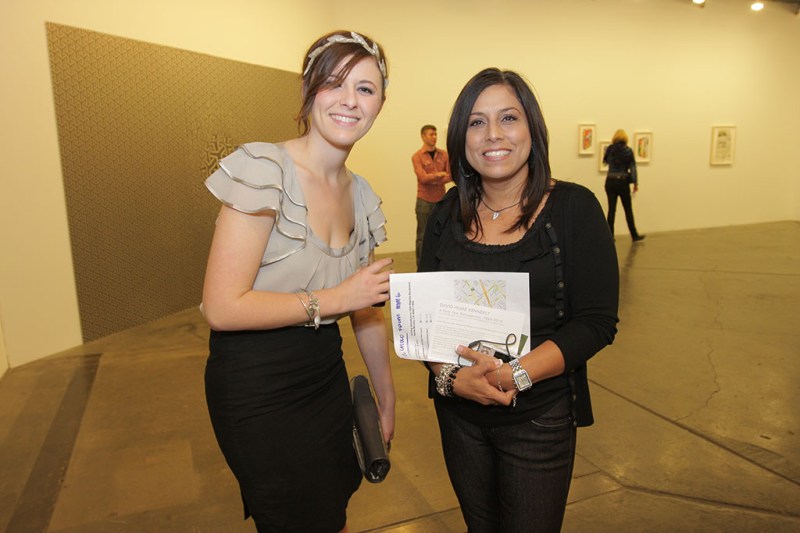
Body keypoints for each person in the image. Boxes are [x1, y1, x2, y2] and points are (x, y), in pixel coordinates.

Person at [201, 30, 396, 533]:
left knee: (331, 508)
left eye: (365, 89)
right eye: (334, 83)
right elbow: (221, 307)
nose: (350, 100)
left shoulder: (362, 195)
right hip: (255, 383)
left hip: (324, 374)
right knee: (292, 515)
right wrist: (336, 298)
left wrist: (386, 396)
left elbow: (366, 309)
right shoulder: (265, 169)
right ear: (309, 90)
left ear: (380, 104)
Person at [419, 68, 619, 532]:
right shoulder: (445, 214)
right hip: (458, 417)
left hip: (539, 418)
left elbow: (596, 321)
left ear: (532, 127)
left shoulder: (574, 208)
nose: (493, 134)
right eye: (477, 122)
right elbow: (423, 319)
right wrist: (452, 379)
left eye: (508, 117)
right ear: (460, 137)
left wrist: (515, 374)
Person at [411, 124, 451, 266]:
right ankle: (421, 266)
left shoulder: (444, 155)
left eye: (435, 134)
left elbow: (451, 175)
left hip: (441, 200)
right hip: (424, 201)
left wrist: (433, 178)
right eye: (430, 134)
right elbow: (422, 178)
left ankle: (440, 265)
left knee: (443, 234)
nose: (434, 137)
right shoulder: (417, 156)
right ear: (423, 136)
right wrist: (439, 176)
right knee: (422, 235)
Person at [603, 129, 645, 241]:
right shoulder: (628, 151)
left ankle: (610, 236)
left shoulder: (610, 149)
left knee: (611, 210)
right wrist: (635, 183)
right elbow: (633, 168)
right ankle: (634, 235)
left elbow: (605, 162)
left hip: (610, 181)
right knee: (628, 209)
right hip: (622, 181)